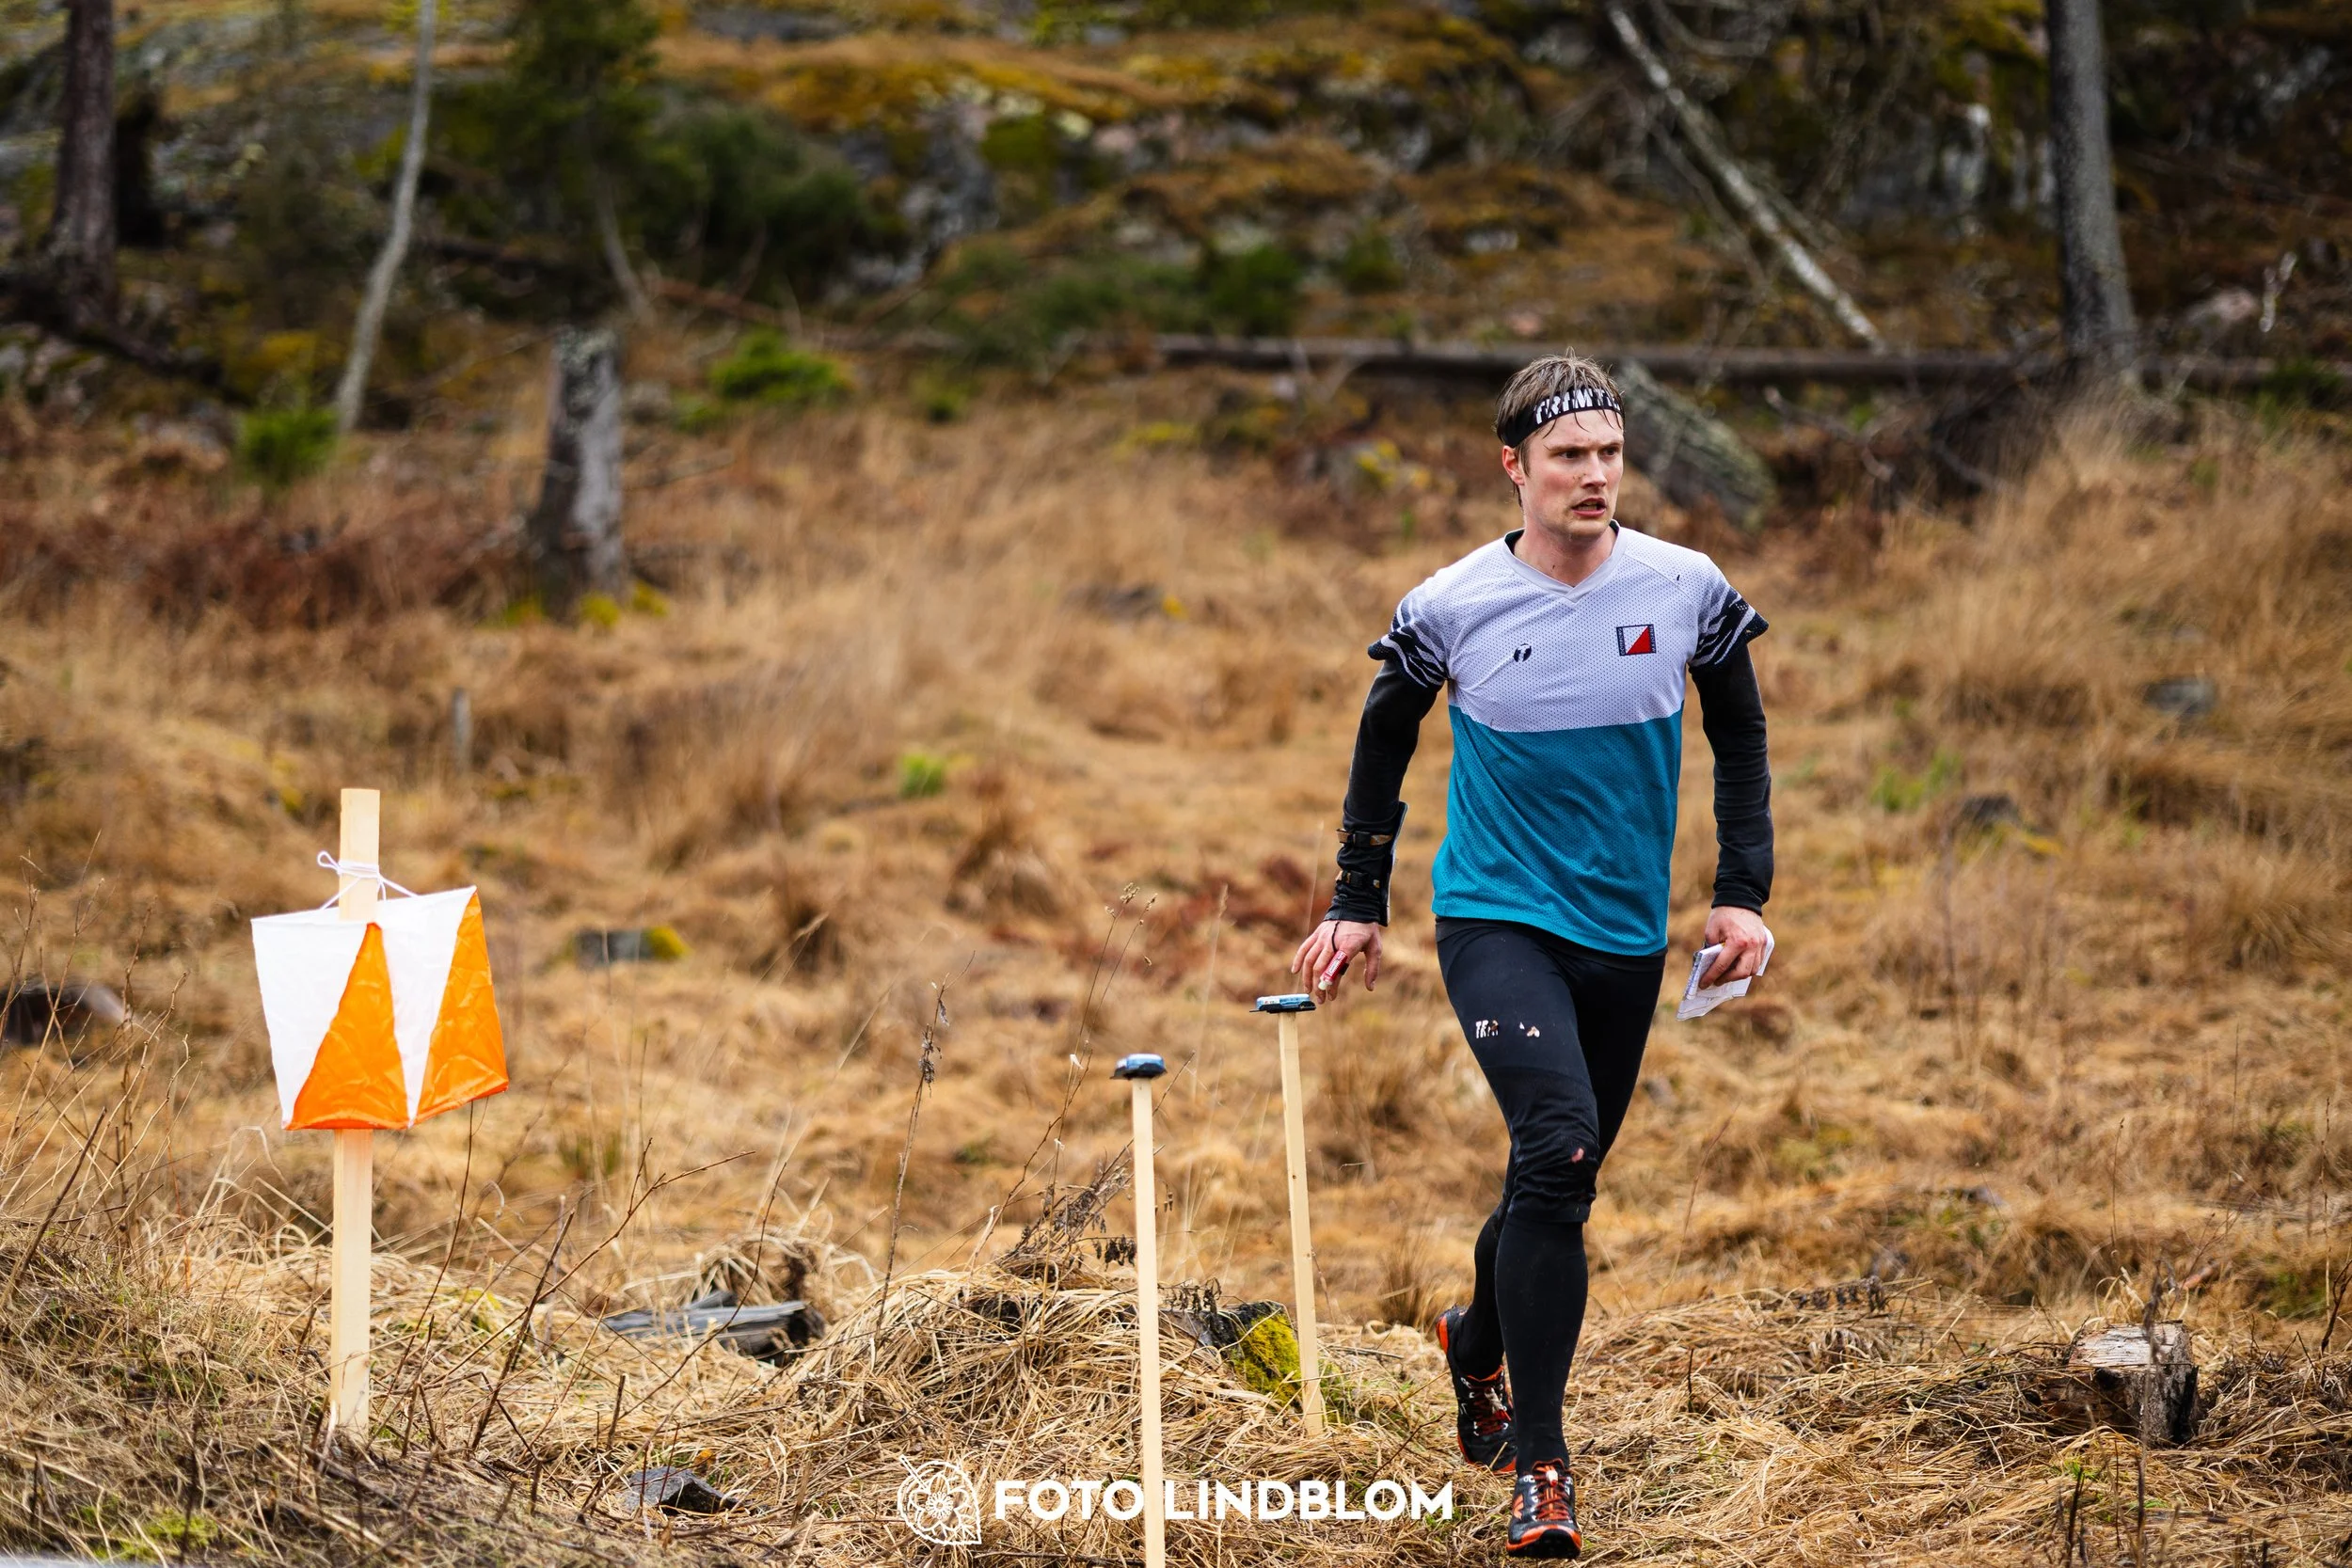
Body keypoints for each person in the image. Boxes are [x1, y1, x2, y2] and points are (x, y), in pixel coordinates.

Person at [1291, 354, 1773, 1560]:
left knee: (1546, 1182)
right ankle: (1542, 1467)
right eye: (1568, 456)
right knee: (1557, 1148)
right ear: (1515, 468)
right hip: (1496, 916)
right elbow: (1381, 742)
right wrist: (1358, 897)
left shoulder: (1688, 585)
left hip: (1625, 934)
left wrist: (1740, 896)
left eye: (1609, 453)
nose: (1594, 475)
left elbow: (1744, 736)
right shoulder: (1450, 603)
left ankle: (1474, 1338)